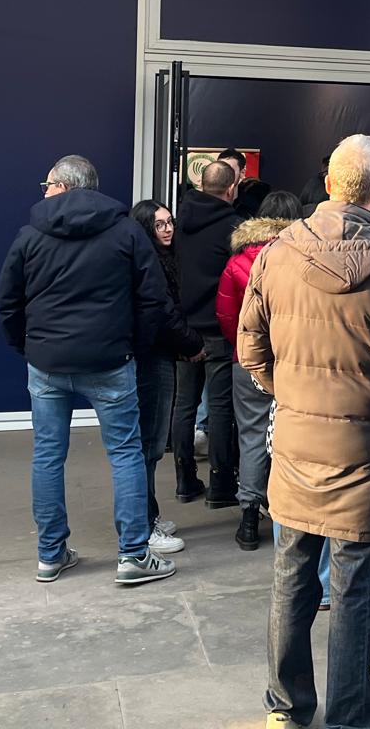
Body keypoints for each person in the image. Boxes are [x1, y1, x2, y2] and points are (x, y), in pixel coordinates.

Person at [239, 134, 370, 729]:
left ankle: (286, 707)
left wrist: (291, 396)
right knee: (356, 585)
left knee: (291, 575)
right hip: (368, 449)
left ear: (329, 184)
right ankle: (350, 716)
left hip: (298, 444)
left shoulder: (275, 254)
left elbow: (250, 347)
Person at [0, 155, 178, 586]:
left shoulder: (30, 235)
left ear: (62, 186)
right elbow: (153, 298)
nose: (44, 192)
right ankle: (134, 555)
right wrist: (133, 347)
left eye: (47, 184)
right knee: (126, 454)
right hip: (111, 361)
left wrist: (27, 347)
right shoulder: (127, 232)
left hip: (47, 362)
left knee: (48, 455)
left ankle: (50, 554)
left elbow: (7, 301)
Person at [217, 190, 302, 551]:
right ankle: (293, 517)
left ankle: (249, 518)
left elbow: (226, 316)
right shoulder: (303, 257)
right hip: (293, 360)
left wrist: (243, 347)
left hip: (248, 361)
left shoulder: (237, 262)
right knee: (295, 437)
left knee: (252, 435)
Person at [171, 159, 244, 507]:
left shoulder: (180, 221)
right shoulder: (234, 227)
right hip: (218, 329)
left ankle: (184, 479)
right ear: (231, 189)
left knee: (184, 404)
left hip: (185, 330)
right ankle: (221, 485)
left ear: (201, 185)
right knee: (220, 408)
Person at [131, 199, 200, 555]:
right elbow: (163, 313)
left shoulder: (157, 259)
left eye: (170, 221)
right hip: (153, 358)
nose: (168, 229)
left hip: (155, 354)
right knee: (149, 446)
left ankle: (148, 516)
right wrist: (192, 344)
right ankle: (143, 526)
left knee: (149, 446)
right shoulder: (151, 264)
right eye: (159, 224)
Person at [221, 147, 271, 219]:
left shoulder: (253, 207)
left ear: (242, 172)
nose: (224, 174)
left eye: (230, 170)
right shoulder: (207, 202)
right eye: (219, 169)